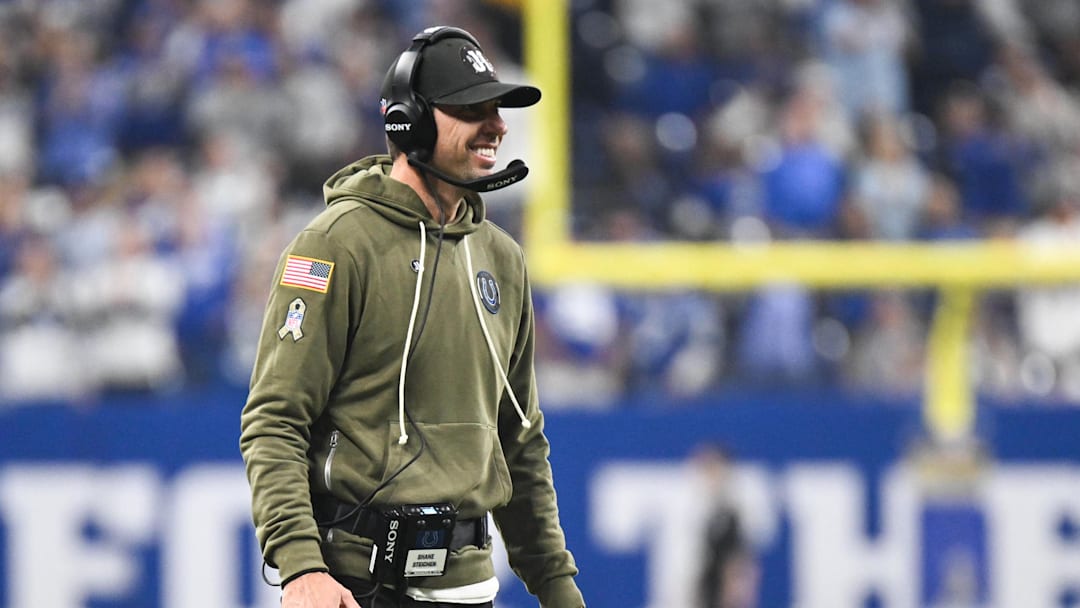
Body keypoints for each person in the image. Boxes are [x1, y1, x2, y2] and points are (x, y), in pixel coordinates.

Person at [239, 26, 585, 608]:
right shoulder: (335, 244)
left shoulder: (502, 258)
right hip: (358, 589)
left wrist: (559, 590)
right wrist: (300, 566)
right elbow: (274, 421)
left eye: (496, 109)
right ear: (410, 120)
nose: (497, 125)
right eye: (472, 109)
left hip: (472, 590)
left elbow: (519, 441)